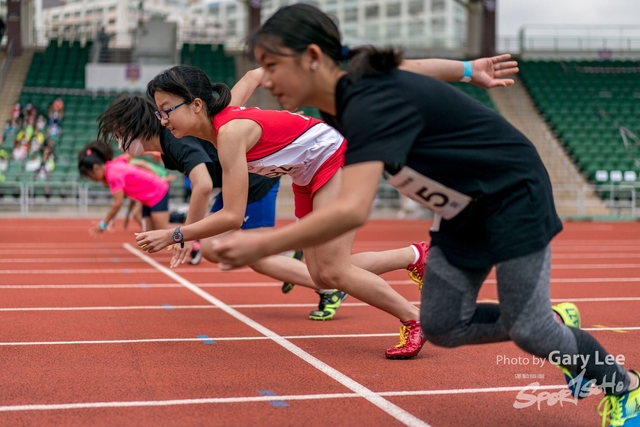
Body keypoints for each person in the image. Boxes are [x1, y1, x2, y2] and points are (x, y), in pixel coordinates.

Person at [205, 4, 640, 425]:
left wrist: (263, 243)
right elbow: (411, 68)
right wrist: (469, 71)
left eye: (271, 66)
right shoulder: (345, 91)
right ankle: (555, 322)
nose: (266, 79)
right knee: (444, 325)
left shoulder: (364, 106)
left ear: (313, 58)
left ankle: (625, 387)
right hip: (459, 207)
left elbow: (353, 207)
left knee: (530, 330)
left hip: (511, 192)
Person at [133, 55, 511, 359]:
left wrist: (176, 233)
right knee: (321, 274)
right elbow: (253, 72)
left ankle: (415, 318)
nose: (163, 121)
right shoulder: (224, 116)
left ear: (196, 104)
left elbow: (233, 214)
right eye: (159, 112)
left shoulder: (230, 134)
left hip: (336, 155)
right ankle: (416, 256)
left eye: (167, 110)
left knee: (335, 272)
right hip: (307, 174)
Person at [97, 94, 354, 318]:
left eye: (120, 134)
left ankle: (328, 287)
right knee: (214, 248)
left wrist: (184, 237)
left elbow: (203, 184)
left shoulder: (174, 140)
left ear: (135, 125)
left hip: (254, 181)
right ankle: (293, 253)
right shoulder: (168, 142)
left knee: (256, 256)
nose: (119, 143)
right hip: (235, 182)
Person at [78, 140, 171, 237]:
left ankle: (186, 234)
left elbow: (117, 203)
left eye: (90, 176)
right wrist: (152, 152)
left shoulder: (112, 176)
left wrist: (103, 224)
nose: (92, 180)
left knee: (163, 229)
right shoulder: (115, 163)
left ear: (96, 168)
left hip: (157, 191)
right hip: (147, 198)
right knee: (149, 232)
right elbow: (133, 152)